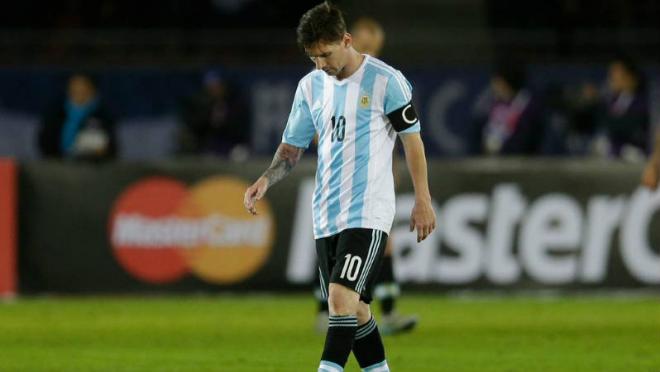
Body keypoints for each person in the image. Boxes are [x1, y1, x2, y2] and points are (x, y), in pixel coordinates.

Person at [243, 3, 436, 371]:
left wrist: (422, 199)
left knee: (339, 298)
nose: (321, 64)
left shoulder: (386, 80)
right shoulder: (311, 86)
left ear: (346, 40)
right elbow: (292, 147)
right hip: (326, 215)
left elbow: (413, 141)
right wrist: (266, 179)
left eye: (326, 54)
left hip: (367, 211)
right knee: (357, 310)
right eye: (313, 57)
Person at [314, 16, 418, 336]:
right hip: (338, 182)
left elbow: (394, 134)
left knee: (381, 245)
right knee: (336, 247)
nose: (370, 50)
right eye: (365, 42)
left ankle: (382, 313)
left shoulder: (382, 79)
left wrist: (392, 168)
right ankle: (332, 311)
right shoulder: (329, 79)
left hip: (371, 184)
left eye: (375, 45)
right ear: (348, 40)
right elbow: (318, 130)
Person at [470, 60, 546, 155]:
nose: (494, 87)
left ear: (505, 83)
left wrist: (501, 149)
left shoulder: (528, 106)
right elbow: (480, 136)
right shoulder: (495, 105)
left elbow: (525, 141)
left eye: (497, 82)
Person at [38, 73, 116, 161]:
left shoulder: (103, 114)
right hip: (58, 165)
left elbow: (112, 148)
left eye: (83, 87)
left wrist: (102, 153)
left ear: (92, 90)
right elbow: (44, 142)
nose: (79, 90)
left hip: (93, 167)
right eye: (74, 87)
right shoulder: (55, 112)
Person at [177, 70, 248, 157]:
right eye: (211, 86)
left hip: (232, 145)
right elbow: (195, 127)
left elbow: (241, 129)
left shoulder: (234, 103)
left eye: (217, 85)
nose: (215, 90)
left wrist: (224, 121)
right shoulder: (200, 104)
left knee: (240, 154)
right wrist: (210, 118)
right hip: (207, 147)